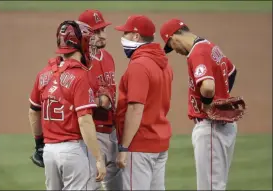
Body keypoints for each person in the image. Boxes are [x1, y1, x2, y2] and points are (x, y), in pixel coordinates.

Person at [160, 18, 239, 190]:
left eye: (171, 46)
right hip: (223, 126)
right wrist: (223, 98)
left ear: (174, 38)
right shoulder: (210, 46)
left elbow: (208, 87)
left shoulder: (197, 52)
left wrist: (208, 104)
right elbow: (232, 71)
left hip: (211, 128)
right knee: (216, 185)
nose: (175, 51)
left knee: (209, 187)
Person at [28, 20, 106, 190]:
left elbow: (34, 111)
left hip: (49, 152)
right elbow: (84, 120)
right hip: (73, 152)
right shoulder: (80, 77)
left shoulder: (44, 73)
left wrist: (39, 144)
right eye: (88, 40)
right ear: (81, 43)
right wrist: (98, 158)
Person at [114, 15, 173, 190]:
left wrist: (124, 148)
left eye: (125, 33)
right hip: (159, 141)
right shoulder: (164, 64)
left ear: (135, 36)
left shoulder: (139, 65)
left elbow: (135, 108)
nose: (122, 38)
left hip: (140, 144)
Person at [78, 9, 122, 190]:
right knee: (91, 185)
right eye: (96, 31)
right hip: (93, 133)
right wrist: (99, 101)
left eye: (103, 30)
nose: (102, 35)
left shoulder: (109, 57)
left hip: (112, 132)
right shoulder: (81, 62)